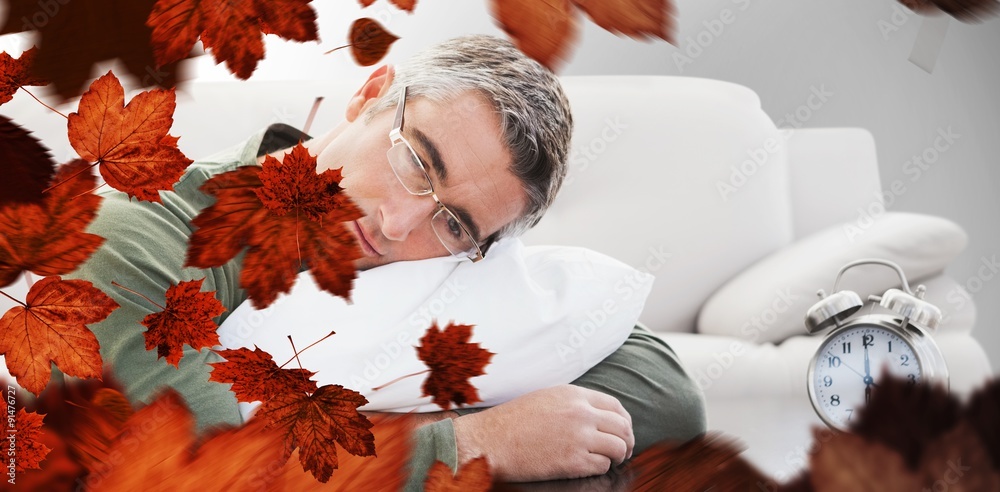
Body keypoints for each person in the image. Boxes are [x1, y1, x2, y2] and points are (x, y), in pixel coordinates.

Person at [61, 35, 705, 487]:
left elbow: (663, 394)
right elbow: (199, 464)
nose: (397, 224)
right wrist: (473, 443)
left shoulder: (437, 266)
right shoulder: (134, 235)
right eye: (416, 162)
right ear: (372, 92)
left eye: (453, 221)